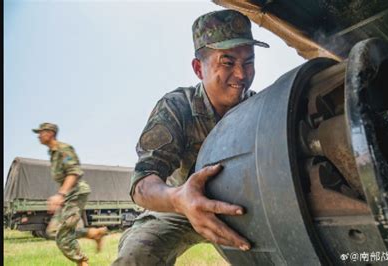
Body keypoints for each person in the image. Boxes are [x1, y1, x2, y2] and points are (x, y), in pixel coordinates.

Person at [112, 9, 269, 265]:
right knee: (136, 255)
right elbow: (142, 184)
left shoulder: (260, 108)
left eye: (248, 62)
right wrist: (179, 199)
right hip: (180, 206)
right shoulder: (177, 107)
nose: (241, 75)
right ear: (198, 68)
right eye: (227, 62)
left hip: (243, 206)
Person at [32, 122, 108, 266]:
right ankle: (94, 233)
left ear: (50, 133)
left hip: (76, 193)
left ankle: (82, 263)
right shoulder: (53, 153)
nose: (38, 136)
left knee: (63, 236)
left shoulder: (63, 149)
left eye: (41, 132)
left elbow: (74, 172)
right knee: (53, 232)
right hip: (68, 195)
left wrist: (60, 195)